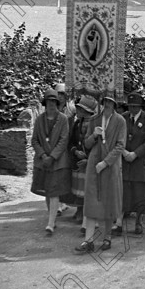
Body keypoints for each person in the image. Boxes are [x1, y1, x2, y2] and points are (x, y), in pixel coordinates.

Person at [75, 92, 126, 253]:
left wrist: (105, 163)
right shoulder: (95, 119)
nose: (108, 104)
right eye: (106, 101)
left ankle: (107, 236)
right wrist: (94, 135)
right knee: (91, 200)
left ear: (115, 103)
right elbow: (87, 144)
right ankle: (88, 240)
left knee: (109, 201)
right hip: (94, 164)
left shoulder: (120, 121)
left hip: (110, 166)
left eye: (111, 101)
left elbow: (120, 146)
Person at [31, 89, 71, 236]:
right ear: (45, 104)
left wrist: (52, 156)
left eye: (54, 102)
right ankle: (51, 217)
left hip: (58, 161)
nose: (51, 105)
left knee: (54, 191)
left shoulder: (63, 119)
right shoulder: (39, 120)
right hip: (43, 162)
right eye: (48, 102)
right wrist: (42, 155)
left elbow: (63, 140)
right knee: (47, 191)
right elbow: (34, 140)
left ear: (57, 104)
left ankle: (51, 223)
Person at [59, 95, 99, 227]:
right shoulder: (76, 124)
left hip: (91, 160)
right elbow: (71, 142)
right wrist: (76, 151)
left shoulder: (96, 125)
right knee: (78, 188)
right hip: (77, 160)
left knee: (89, 188)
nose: (78, 111)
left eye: (81, 109)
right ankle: (80, 209)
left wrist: (89, 158)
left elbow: (99, 145)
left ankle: (89, 213)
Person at [118, 92, 145, 236]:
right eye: (130, 106)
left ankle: (138, 221)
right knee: (125, 191)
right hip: (125, 159)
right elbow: (117, 137)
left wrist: (135, 154)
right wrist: (124, 152)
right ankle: (119, 221)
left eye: (135, 106)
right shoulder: (123, 118)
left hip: (140, 160)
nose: (132, 109)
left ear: (140, 107)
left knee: (140, 192)